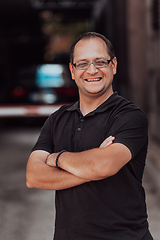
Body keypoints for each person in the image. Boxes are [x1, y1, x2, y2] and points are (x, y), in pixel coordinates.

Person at [26, 32, 153, 240]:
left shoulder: (129, 116)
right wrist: (91, 167)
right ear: (72, 71)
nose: (92, 70)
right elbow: (33, 176)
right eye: (83, 63)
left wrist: (57, 158)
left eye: (100, 62)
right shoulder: (57, 119)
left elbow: (103, 166)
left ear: (113, 65)